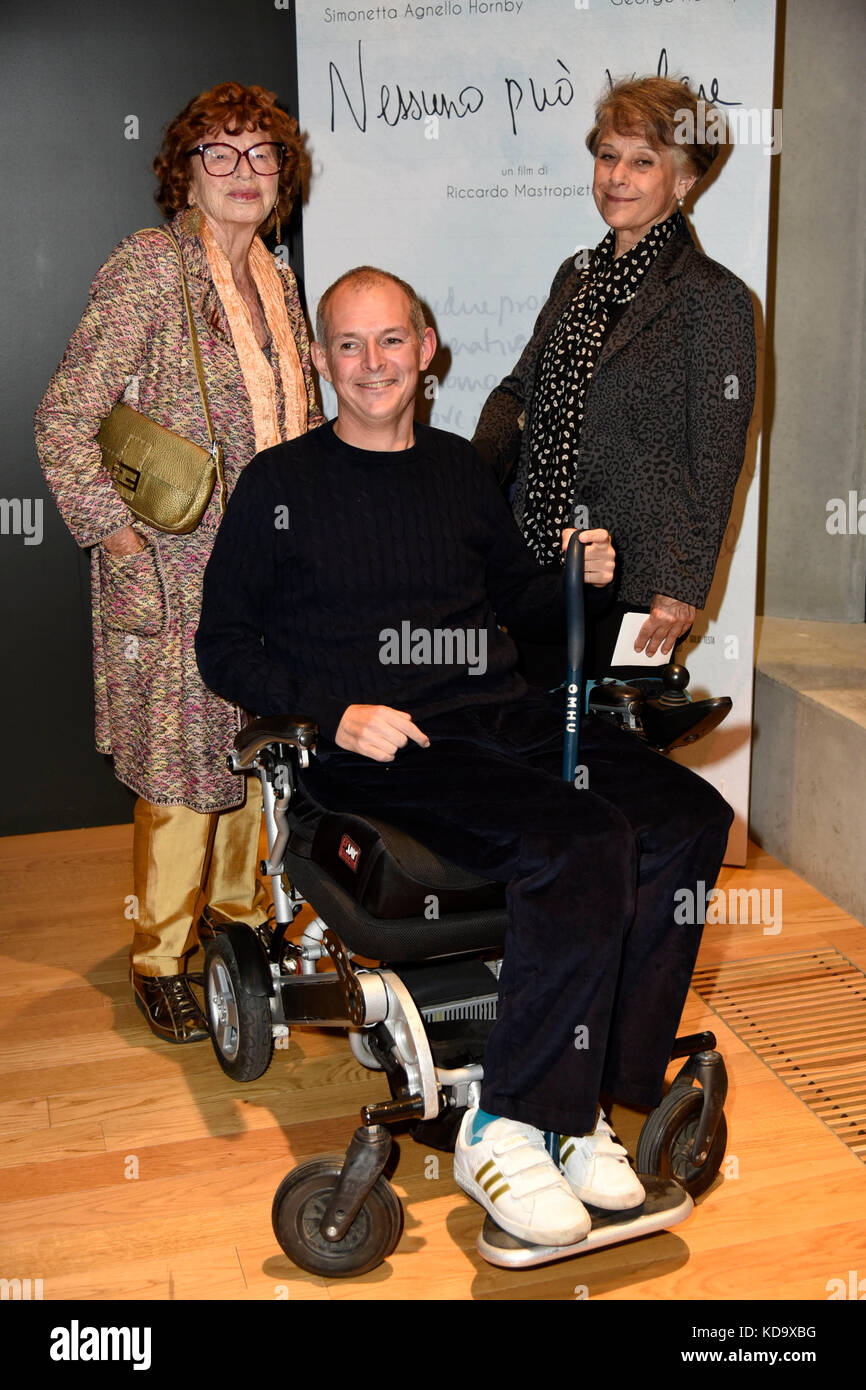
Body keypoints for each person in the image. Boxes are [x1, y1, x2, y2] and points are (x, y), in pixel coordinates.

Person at [195, 267, 732, 1247]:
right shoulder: (278, 486)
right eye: (347, 346)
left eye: (389, 341)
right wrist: (332, 711)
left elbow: (515, 612)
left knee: (687, 820)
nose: (370, 364)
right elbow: (222, 645)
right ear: (319, 361)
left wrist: (574, 580)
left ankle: (586, 1110)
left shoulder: (453, 471)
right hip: (381, 742)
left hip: (496, 715)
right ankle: (504, 1122)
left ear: (426, 348)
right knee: (577, 841)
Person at [35, 82, 323, 1044]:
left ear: (283, 176)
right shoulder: (151, 270)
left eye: (263, 155)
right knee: (179, 772)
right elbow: (63, 420)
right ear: (185, 174)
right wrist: (118, 543)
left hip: (269, 575)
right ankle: (159, 954)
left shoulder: (277, 282)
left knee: (251, 754)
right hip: (174, 568)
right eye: (221, 153)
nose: (244, 172)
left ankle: (237, 931)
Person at [473, 76, 756, 686]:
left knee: (616, 762)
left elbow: (715, 456)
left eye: (642, 161)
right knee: (535, 747)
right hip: (539, 568)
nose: (616, 176)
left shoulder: (714, 297)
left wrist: (679, 586)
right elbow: (518, 391)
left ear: (684, 181)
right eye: (607, 156)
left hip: (636, 583)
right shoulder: (574, 277)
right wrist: (469, 475)